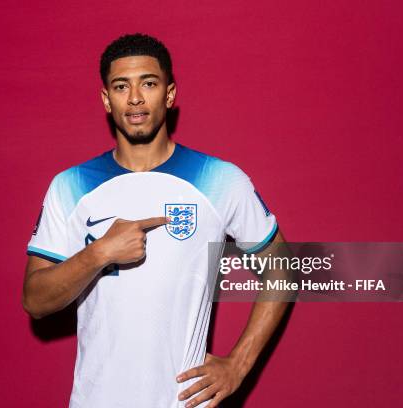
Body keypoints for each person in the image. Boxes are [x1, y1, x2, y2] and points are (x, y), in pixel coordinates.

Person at [22, 33, 289, 408]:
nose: (134, 98)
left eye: (148, 83)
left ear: (169, 94)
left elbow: (284, 269)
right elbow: (34, 300)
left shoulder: (221, 179)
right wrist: (98, 254)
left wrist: (238, 364)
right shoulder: (70, 186)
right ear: (106, 99)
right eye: (121, 86)